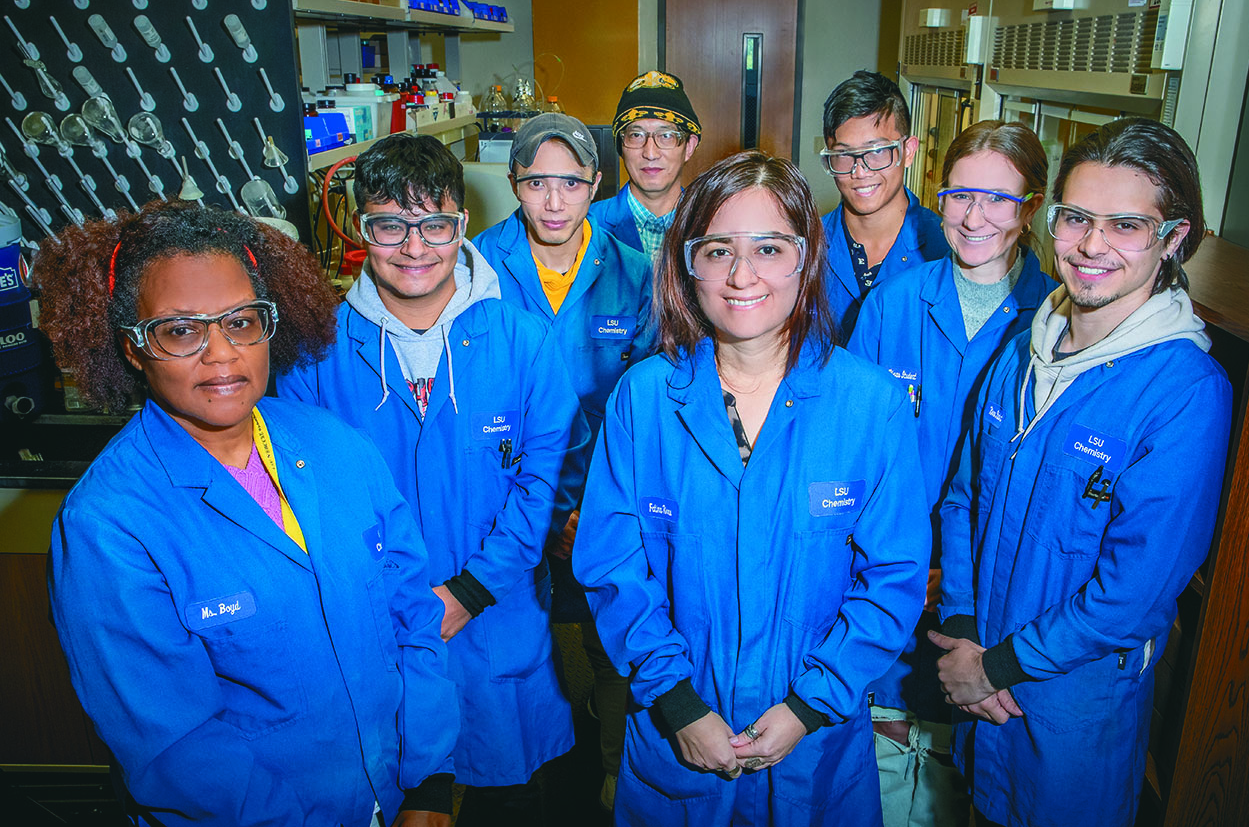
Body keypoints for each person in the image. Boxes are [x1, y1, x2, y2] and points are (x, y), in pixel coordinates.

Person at [36, 201, 458, 826]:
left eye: (241, 321)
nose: (221, 354)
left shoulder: (337, 447)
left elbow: (414, 619)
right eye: (180, 330)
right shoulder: (110, 525)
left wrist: (427, 782)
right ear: (132, 348)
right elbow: (175, 747)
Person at [574, 150, 931, 826]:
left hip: (814, 747)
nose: (741, 276)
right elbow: (613, 568)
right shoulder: (643, 401)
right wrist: (676, 702)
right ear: (687, 263)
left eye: (769, 248)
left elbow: (894, 578)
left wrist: (806, 707)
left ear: (807, 256)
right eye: (717, 251)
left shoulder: (869, 406)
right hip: (677, 737)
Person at [276, 133, 586, 825]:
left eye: (435, 225)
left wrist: (469, 591)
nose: (415, 248)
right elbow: (305, 502)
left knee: (505, 794)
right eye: (391, 224)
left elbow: (543, 482)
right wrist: (397, 600)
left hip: (498, 621)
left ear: (461, 227)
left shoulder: (522, 342)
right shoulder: (314, 355)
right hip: (373, 624)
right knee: (389, 786)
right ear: (362, 229)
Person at [930, 118, 1232, 827]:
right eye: (1076, 219)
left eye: (1127, 225)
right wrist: (966, 629)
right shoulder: (1023, 348)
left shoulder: (1184, 390)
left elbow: (1135, 593)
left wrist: (994, 669)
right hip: (982, 695)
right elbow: (963, 499)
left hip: (1070, 719)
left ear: (1174, 238)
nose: (1092, 246)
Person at [850, 121, 1058, 827]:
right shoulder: (894, 303)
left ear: (1031, 208)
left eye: (999, 200)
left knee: (968, 764)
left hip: (991, 582)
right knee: (882, 740)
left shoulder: (1055, 321)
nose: (974, 217)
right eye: (961, 195)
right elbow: (850, 447)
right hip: (887, 558)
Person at [473, 112, 656, 811]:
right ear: (515, 184)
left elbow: (641, 406)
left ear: (596, 185)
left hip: (599, 500)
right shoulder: (478, 268)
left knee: (613, 640)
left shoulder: (633, 273)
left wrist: (590, 507)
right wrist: (537, 512)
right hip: (506, 497)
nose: (554, 202)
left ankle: (610, 777)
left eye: (571, 184)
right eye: (537, 183)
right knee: (513, 646)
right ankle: (519, 784)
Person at [821, 70, 950, 343]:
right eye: (844, 155)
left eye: (877, 151)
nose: (860, 171)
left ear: (909, 151)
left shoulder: (945, 250)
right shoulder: (807, 246)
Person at [589, 70, 702, 260]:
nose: (650, 153)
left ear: (689, 147)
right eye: (636, 136)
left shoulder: (709, 224)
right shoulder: (587, 226)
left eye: (666, 136)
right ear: (620, 146)